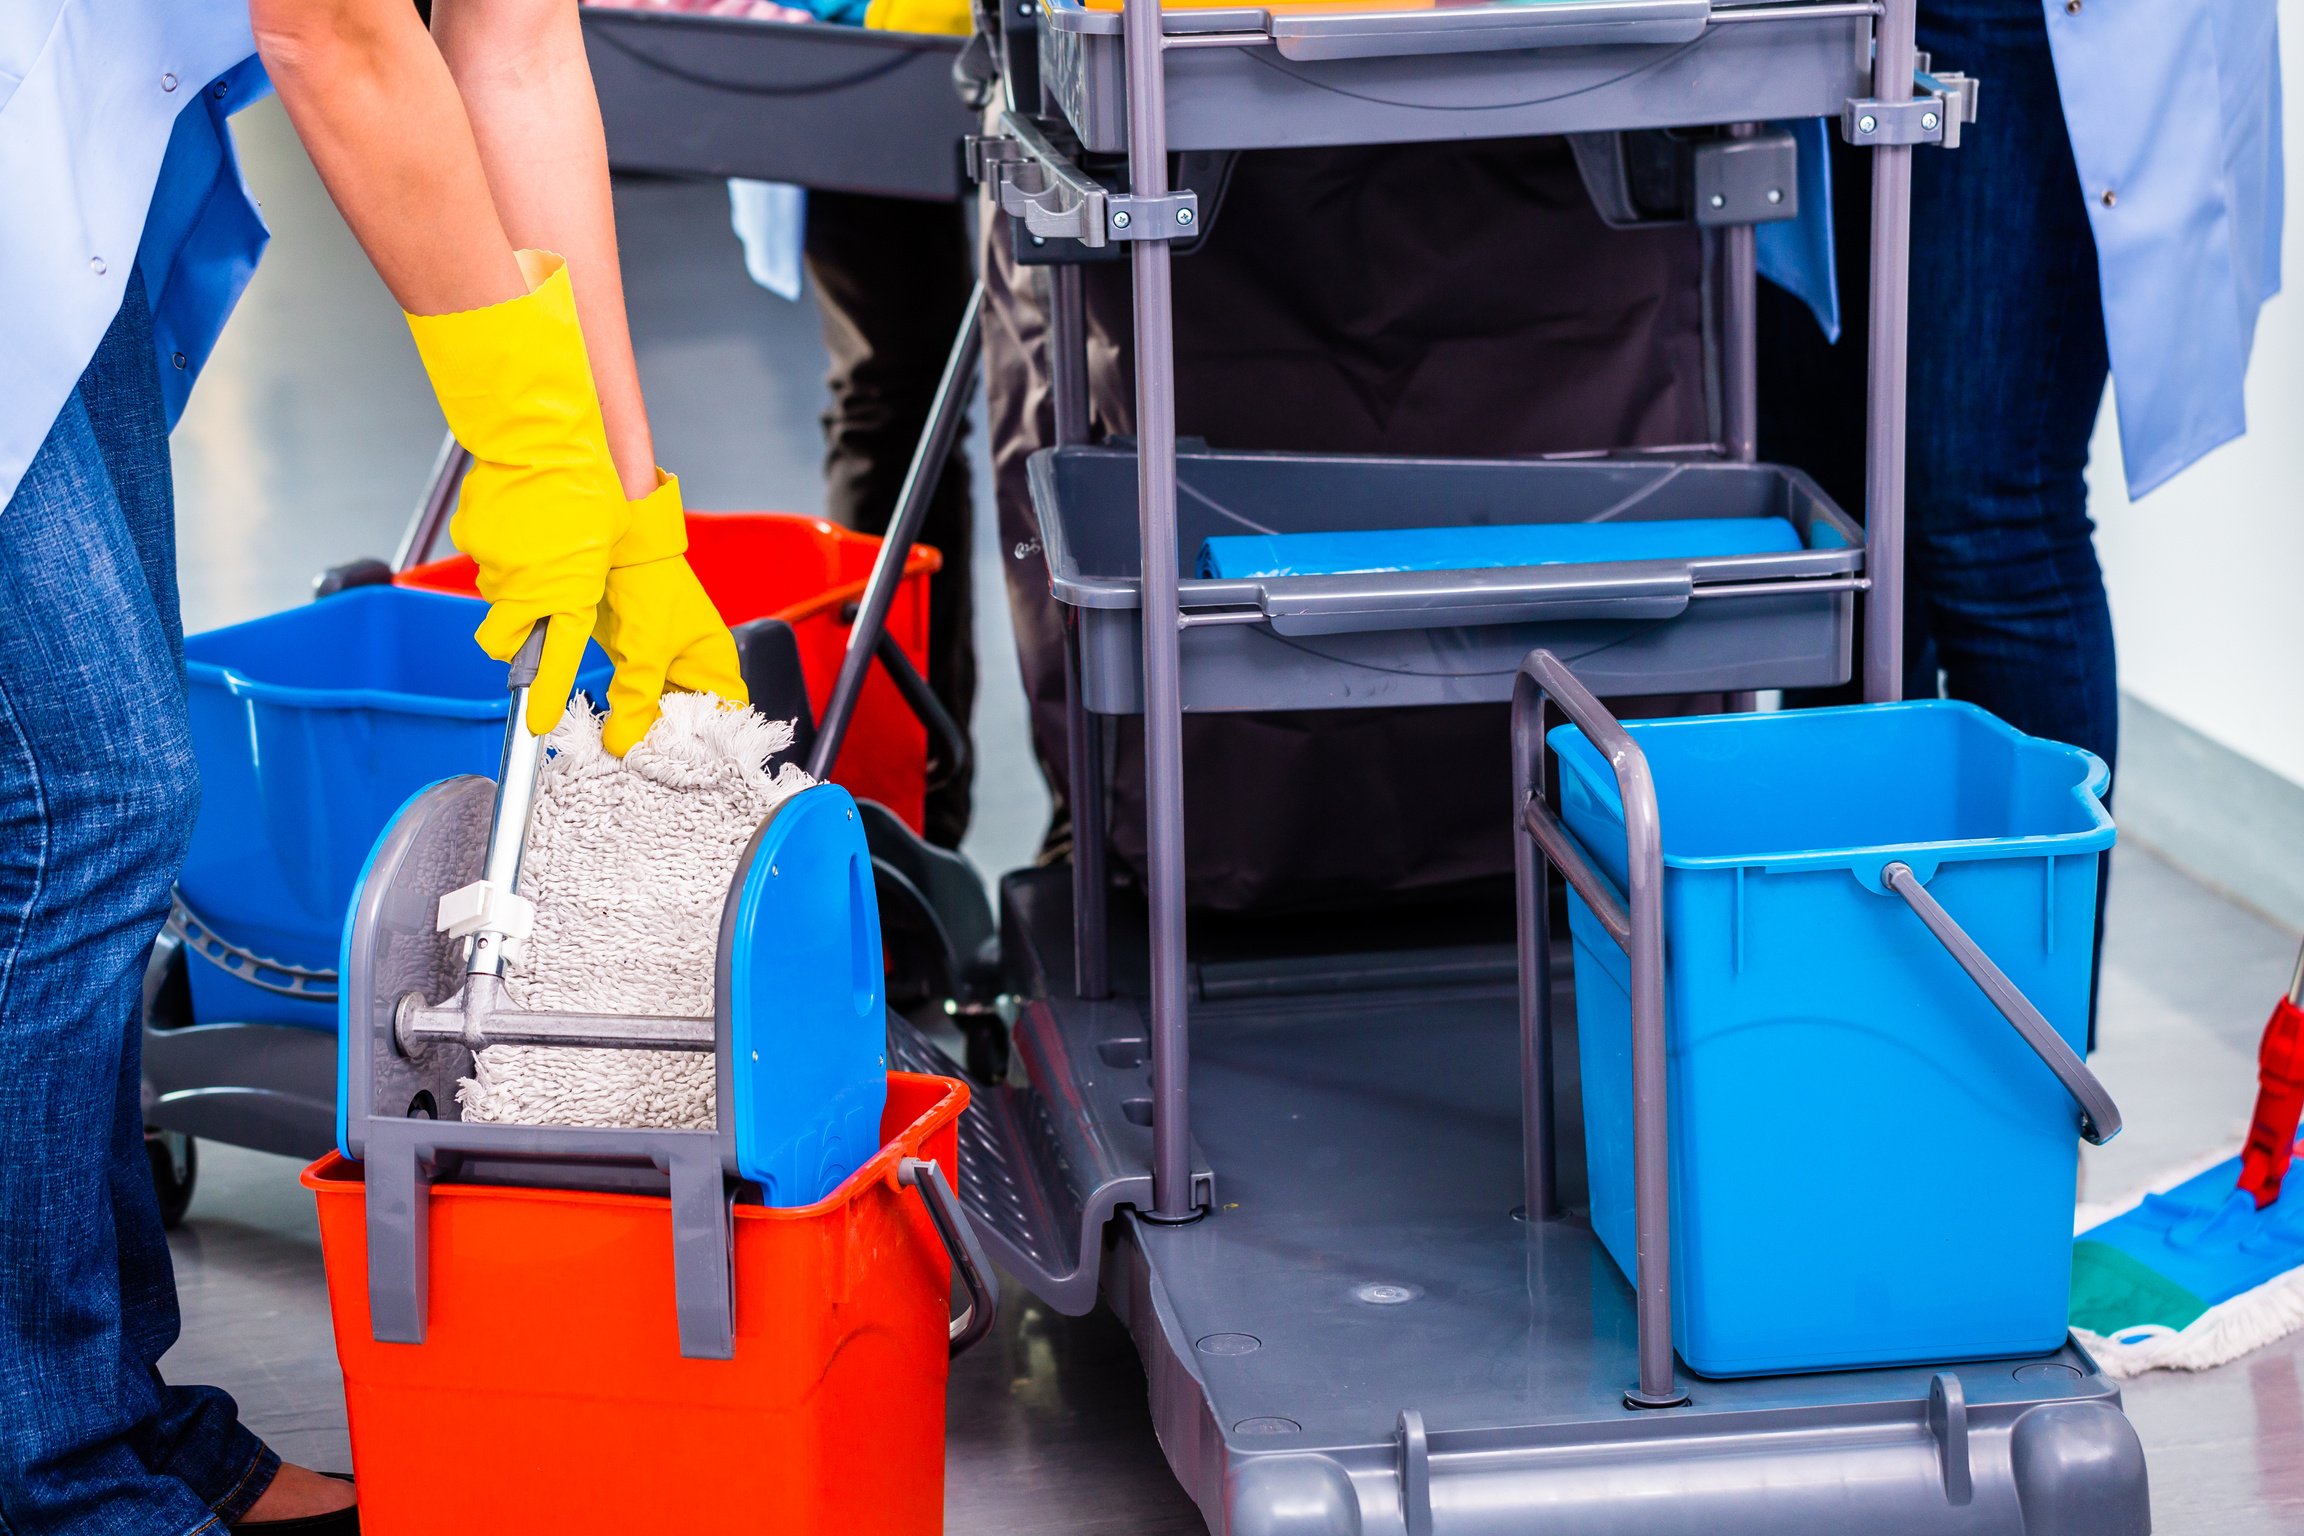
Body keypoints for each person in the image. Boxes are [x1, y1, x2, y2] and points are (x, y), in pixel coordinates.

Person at [0, 1, 742, 1530]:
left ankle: (110, 1415)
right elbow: (331, 24)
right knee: (87, 808)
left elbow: (515, 39)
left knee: (83, 814)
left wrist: (627, 499)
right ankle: (49, 1472)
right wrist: (525, 443)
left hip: (60, 150)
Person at [1758, 0, 2283, 783]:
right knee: (1839, 521)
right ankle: (1848, 889)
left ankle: (2024, 903)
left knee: (1991, 516)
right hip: (1825, 16)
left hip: (2014, 19)